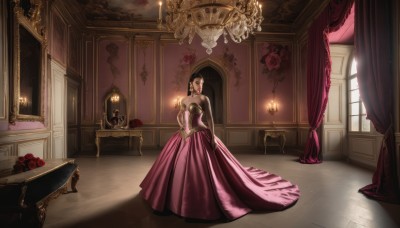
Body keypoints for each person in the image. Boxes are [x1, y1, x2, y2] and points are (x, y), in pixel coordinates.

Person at [140, 73, 300, 221]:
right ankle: (170, 203)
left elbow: (210, 119)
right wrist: (181, 125)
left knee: (198, 170)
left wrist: (213, 137)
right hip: (183, 135)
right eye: (197, 83)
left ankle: (194, 208)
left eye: (202, 83)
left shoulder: (204, 99)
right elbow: (180, 115)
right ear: (191, 84)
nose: (200, 86)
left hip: (200, 133)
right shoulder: (184, 100)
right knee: (174, 167)